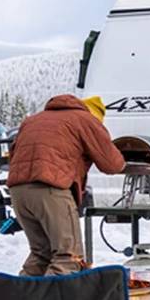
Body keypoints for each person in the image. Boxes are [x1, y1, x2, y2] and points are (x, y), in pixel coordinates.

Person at [7, 94, 125, 275]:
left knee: (41, 254)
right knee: (68, 257)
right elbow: (112, 164)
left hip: (18, 191)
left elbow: (13, 154)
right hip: (51, 189)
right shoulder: (86, 120)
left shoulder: (33, 120)